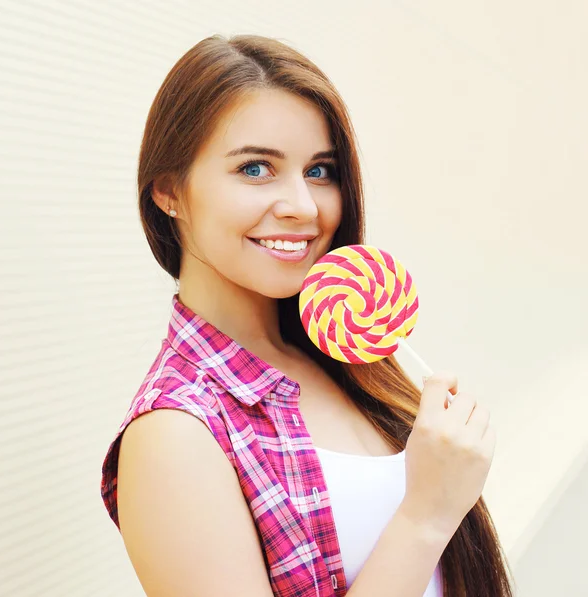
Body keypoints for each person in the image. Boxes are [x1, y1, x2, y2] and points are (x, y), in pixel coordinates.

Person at [100, 33, 515, 597]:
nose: (303, 206)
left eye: (319, 171)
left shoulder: (345, 352)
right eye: (255, 169)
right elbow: (423, 523)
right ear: (169, 191)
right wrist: (426, 516)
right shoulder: (175, 434)